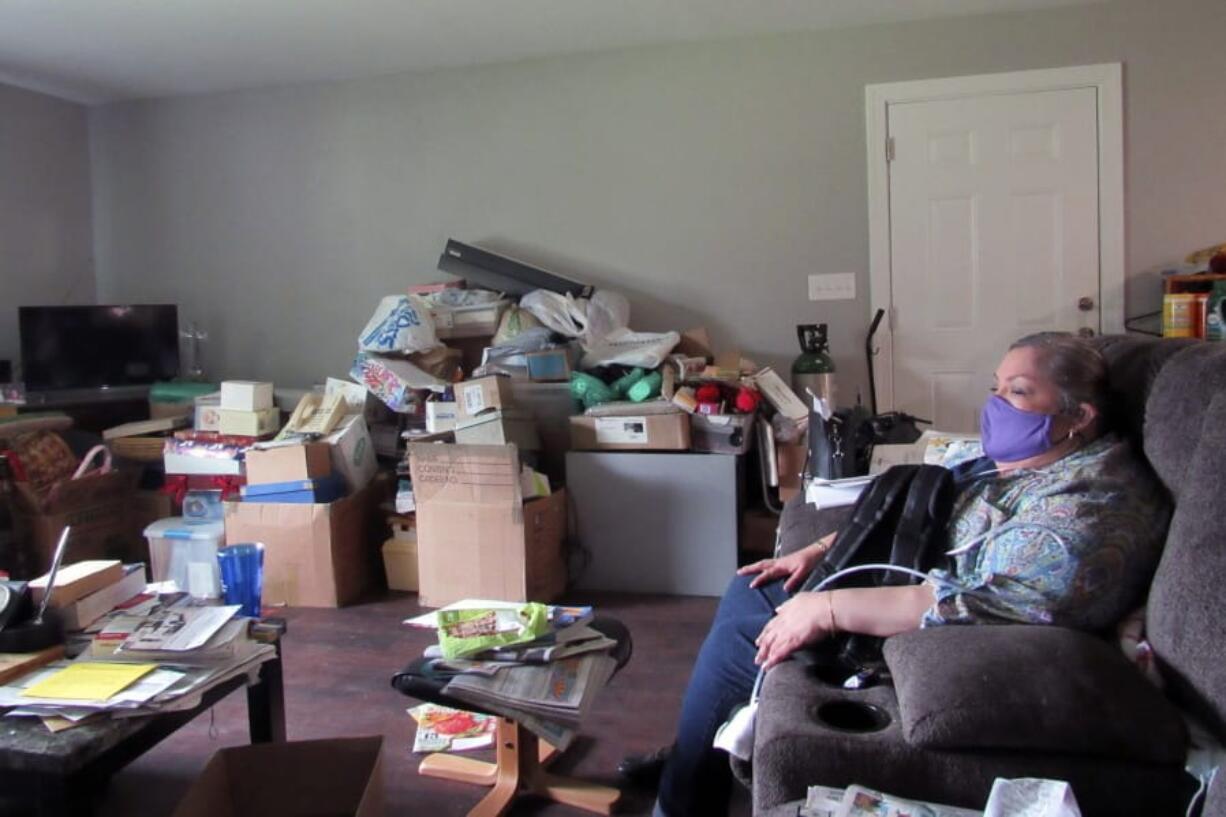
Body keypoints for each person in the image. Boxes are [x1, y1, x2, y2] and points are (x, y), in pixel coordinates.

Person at [627, 333, 1171, 817]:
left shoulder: (1085, 511)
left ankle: (683, 793)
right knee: (755, 590)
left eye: (1019, 391)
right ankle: (693, 758)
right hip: (915, 563)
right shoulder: (1038, 453)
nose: (996, 404)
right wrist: (817, 550)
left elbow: (987, 603)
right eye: (996, 387)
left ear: (1080, 415)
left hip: (943, 611)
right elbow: (919, 509)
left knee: (750, 616)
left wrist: (828, 607)